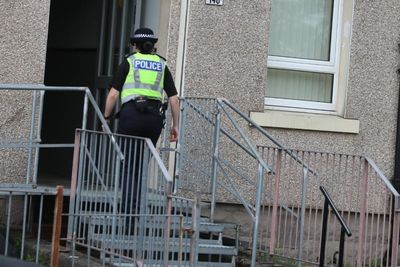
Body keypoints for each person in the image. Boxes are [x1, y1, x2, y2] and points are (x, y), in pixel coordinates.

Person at [103, 27, 179, 218]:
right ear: (153, 46)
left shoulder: (129, 62)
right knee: (140, 165)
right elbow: (174, 99)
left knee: (129, 165)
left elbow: (113, 94)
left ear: (133, 45)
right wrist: (175, 125)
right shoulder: (162, 65)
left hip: (131, 117)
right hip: (153, 119)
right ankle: (137, 209)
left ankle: (128, 210)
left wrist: (105, 117)